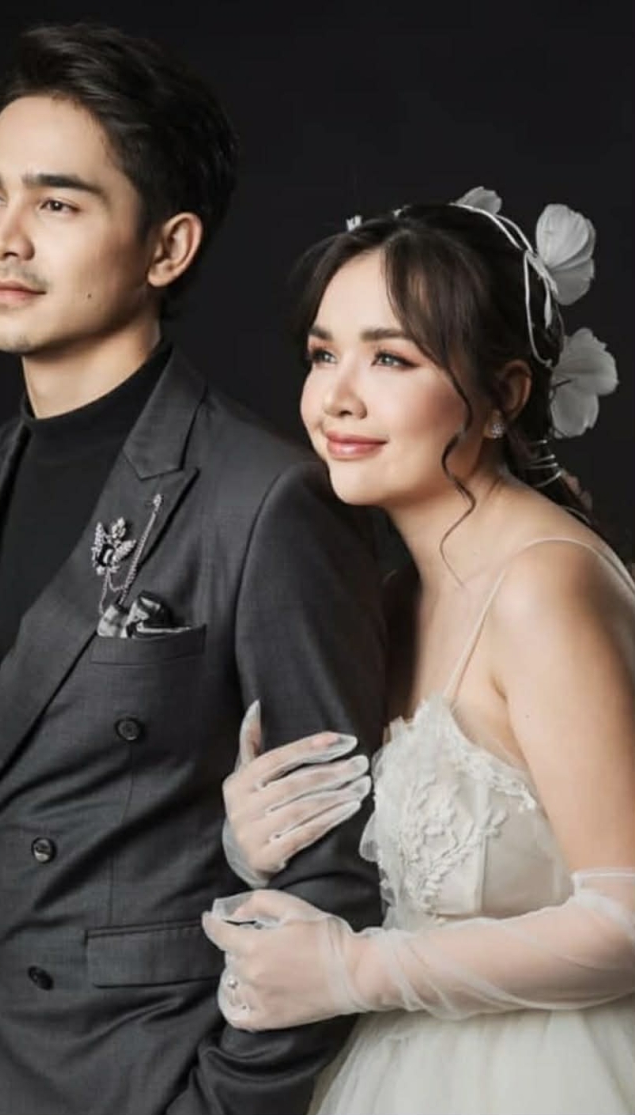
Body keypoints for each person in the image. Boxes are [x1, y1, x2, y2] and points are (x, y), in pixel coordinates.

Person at [0, 22, 386, 1115]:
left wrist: (218, 1101)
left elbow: (337, 865)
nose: (3, 239)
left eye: (57, 205)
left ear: (167, 248)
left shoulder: (264, 498)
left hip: (136, 1079)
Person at [203, 189, 635, 1115]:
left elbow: (628, 916)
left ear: (504, 396)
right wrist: (256, 839)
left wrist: (356, 969)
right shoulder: (393, 597)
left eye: (391, 357)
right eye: (324, 353)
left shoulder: (543, 586)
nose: (336, 397)